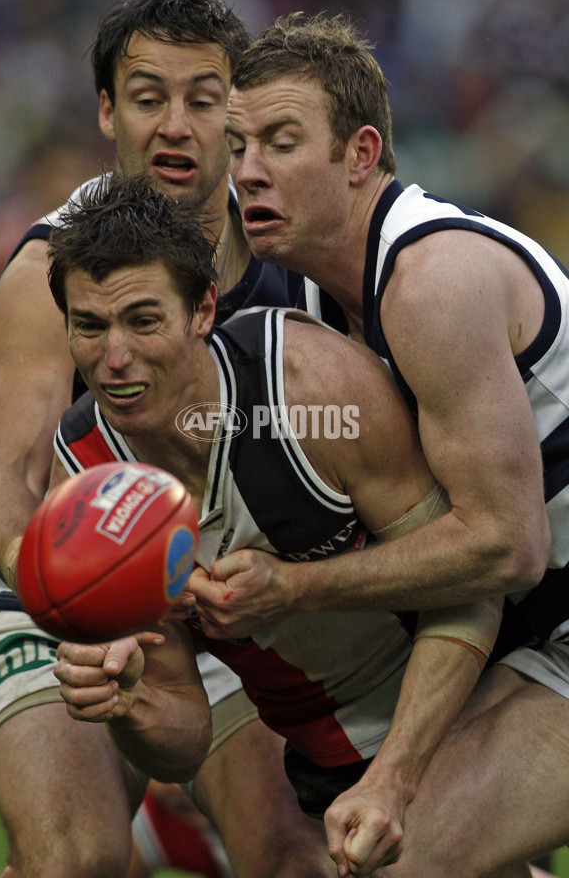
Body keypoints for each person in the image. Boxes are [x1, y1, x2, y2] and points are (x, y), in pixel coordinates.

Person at [183, 11, 569, 877]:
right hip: (538, 632)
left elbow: (509, 544)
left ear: (360, 155)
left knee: (398, 860)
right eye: (238, 144)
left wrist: (293, 589)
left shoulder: (432, 282)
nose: (246, 171)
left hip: (549, 617)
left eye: (281, 142)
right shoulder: (306, 306)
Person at [46, 172, 506, 875]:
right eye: (90, 326)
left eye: (143, 321)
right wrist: (130, 703)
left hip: (465, 714)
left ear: (202, 309)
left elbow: (473, 585)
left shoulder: (307, 386)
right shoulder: (88, 480)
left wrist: (397, 775)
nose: (115, 358)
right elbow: (186, 732)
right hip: (325, 759)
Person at [0, 0, 330, 878]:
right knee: (72, 861)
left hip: (232, 602)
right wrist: (84, 598)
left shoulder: (300, 253)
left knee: (294, 856)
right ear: (106, 111)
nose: (175, 126)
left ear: (236, 113)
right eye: (145, 98)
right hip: (58, 595)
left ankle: (171, 828)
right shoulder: (48, 270)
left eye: (202, 100)